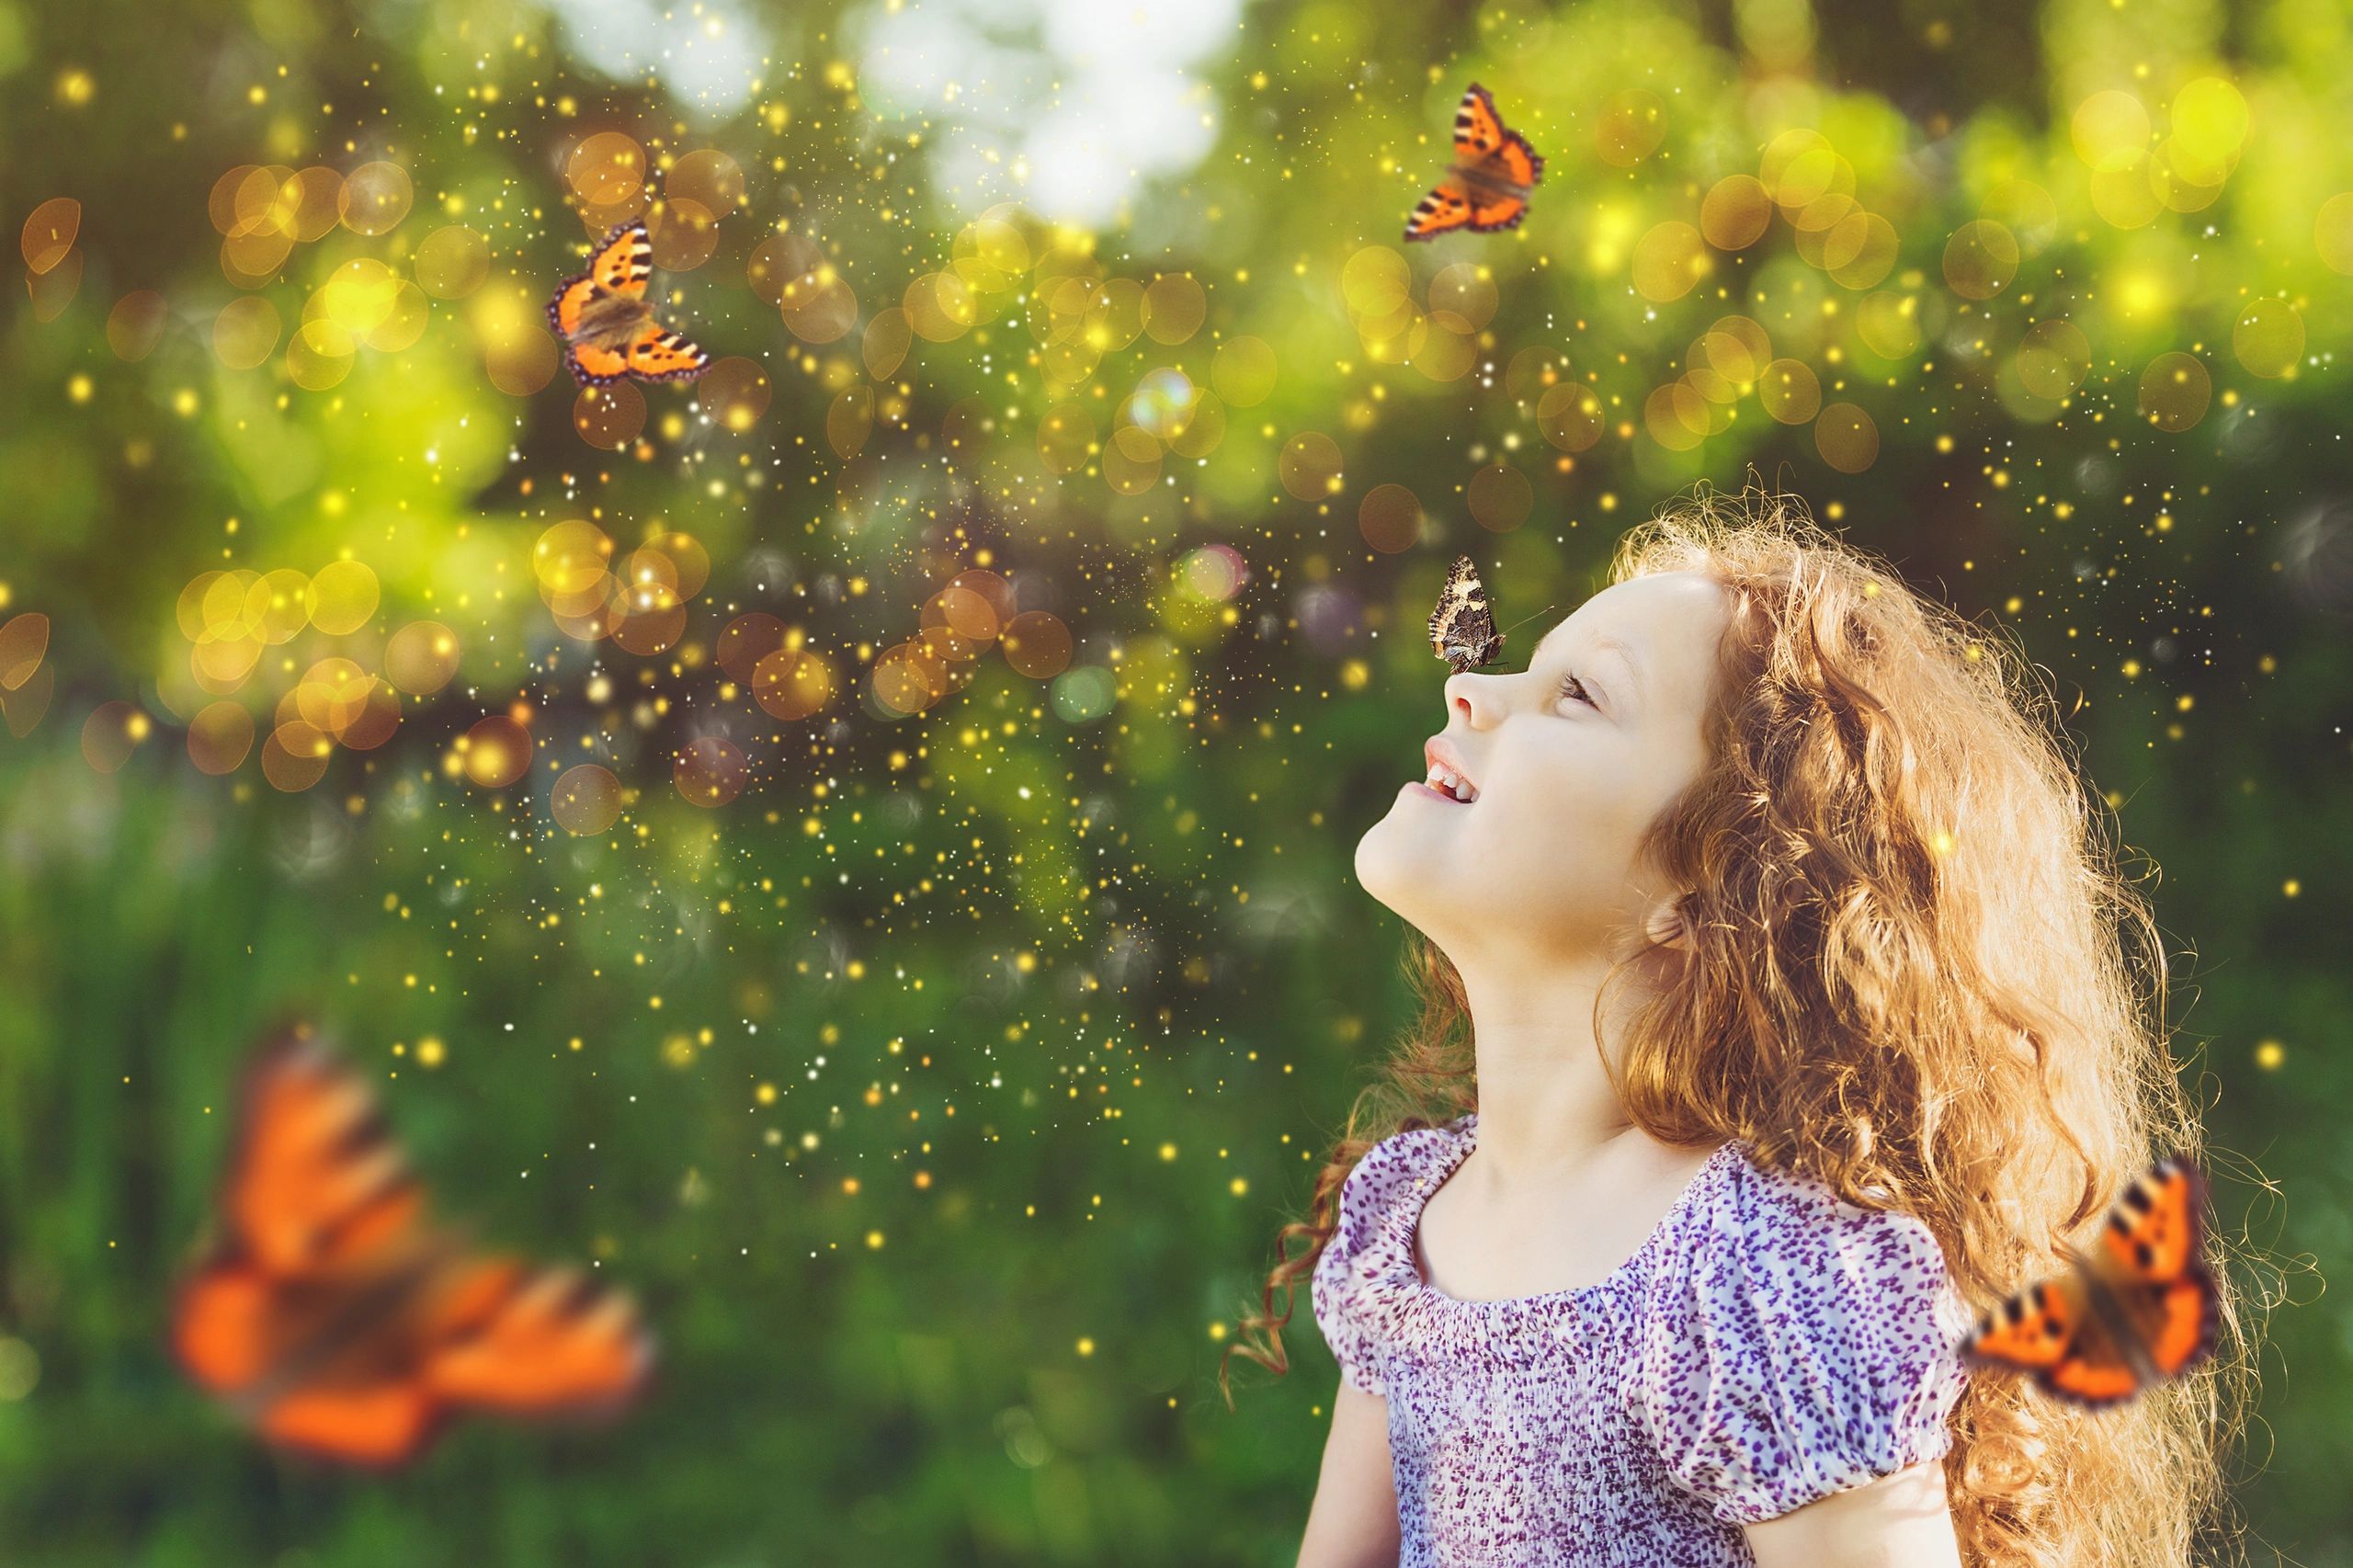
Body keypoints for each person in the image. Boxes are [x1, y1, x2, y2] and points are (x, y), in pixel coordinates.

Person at [1222, 482, 2251, 1567]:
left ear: (1712, 882)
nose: (1470, 685)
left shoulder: (1757, 1278)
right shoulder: (1408, 1227)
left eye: (1575, 693)